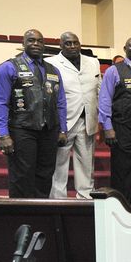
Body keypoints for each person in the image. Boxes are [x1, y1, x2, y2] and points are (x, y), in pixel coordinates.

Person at [0, 28, 67, 198]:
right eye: (31, 40)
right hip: (22, 129)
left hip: (49, 130)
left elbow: (61, 102)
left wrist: (63, 129)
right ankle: (21, 213)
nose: (36, 44)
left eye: (39, 41)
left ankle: (41, 211)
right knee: (22, 176)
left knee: (45, 175)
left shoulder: (53, 70)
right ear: (23, 43)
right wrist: (3, 134)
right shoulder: (8, 68)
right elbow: (0, 103)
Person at [46, 31, 101, 199]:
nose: (72, 46)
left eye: (75, 43)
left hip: (87, 120)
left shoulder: (93, 62)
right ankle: (58, 200)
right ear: (61, 45)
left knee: (86, 163)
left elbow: (98, 89)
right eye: (67, 43)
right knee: (59, 164)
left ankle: (85, 197)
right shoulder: (51, 63)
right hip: (63, 121)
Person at [99, 36, 131, 210]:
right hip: (122, 125)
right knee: (122, 166)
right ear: (125, 49)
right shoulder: (114, 71)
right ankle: (121, 201)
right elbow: (105, 99)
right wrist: (107, 127)